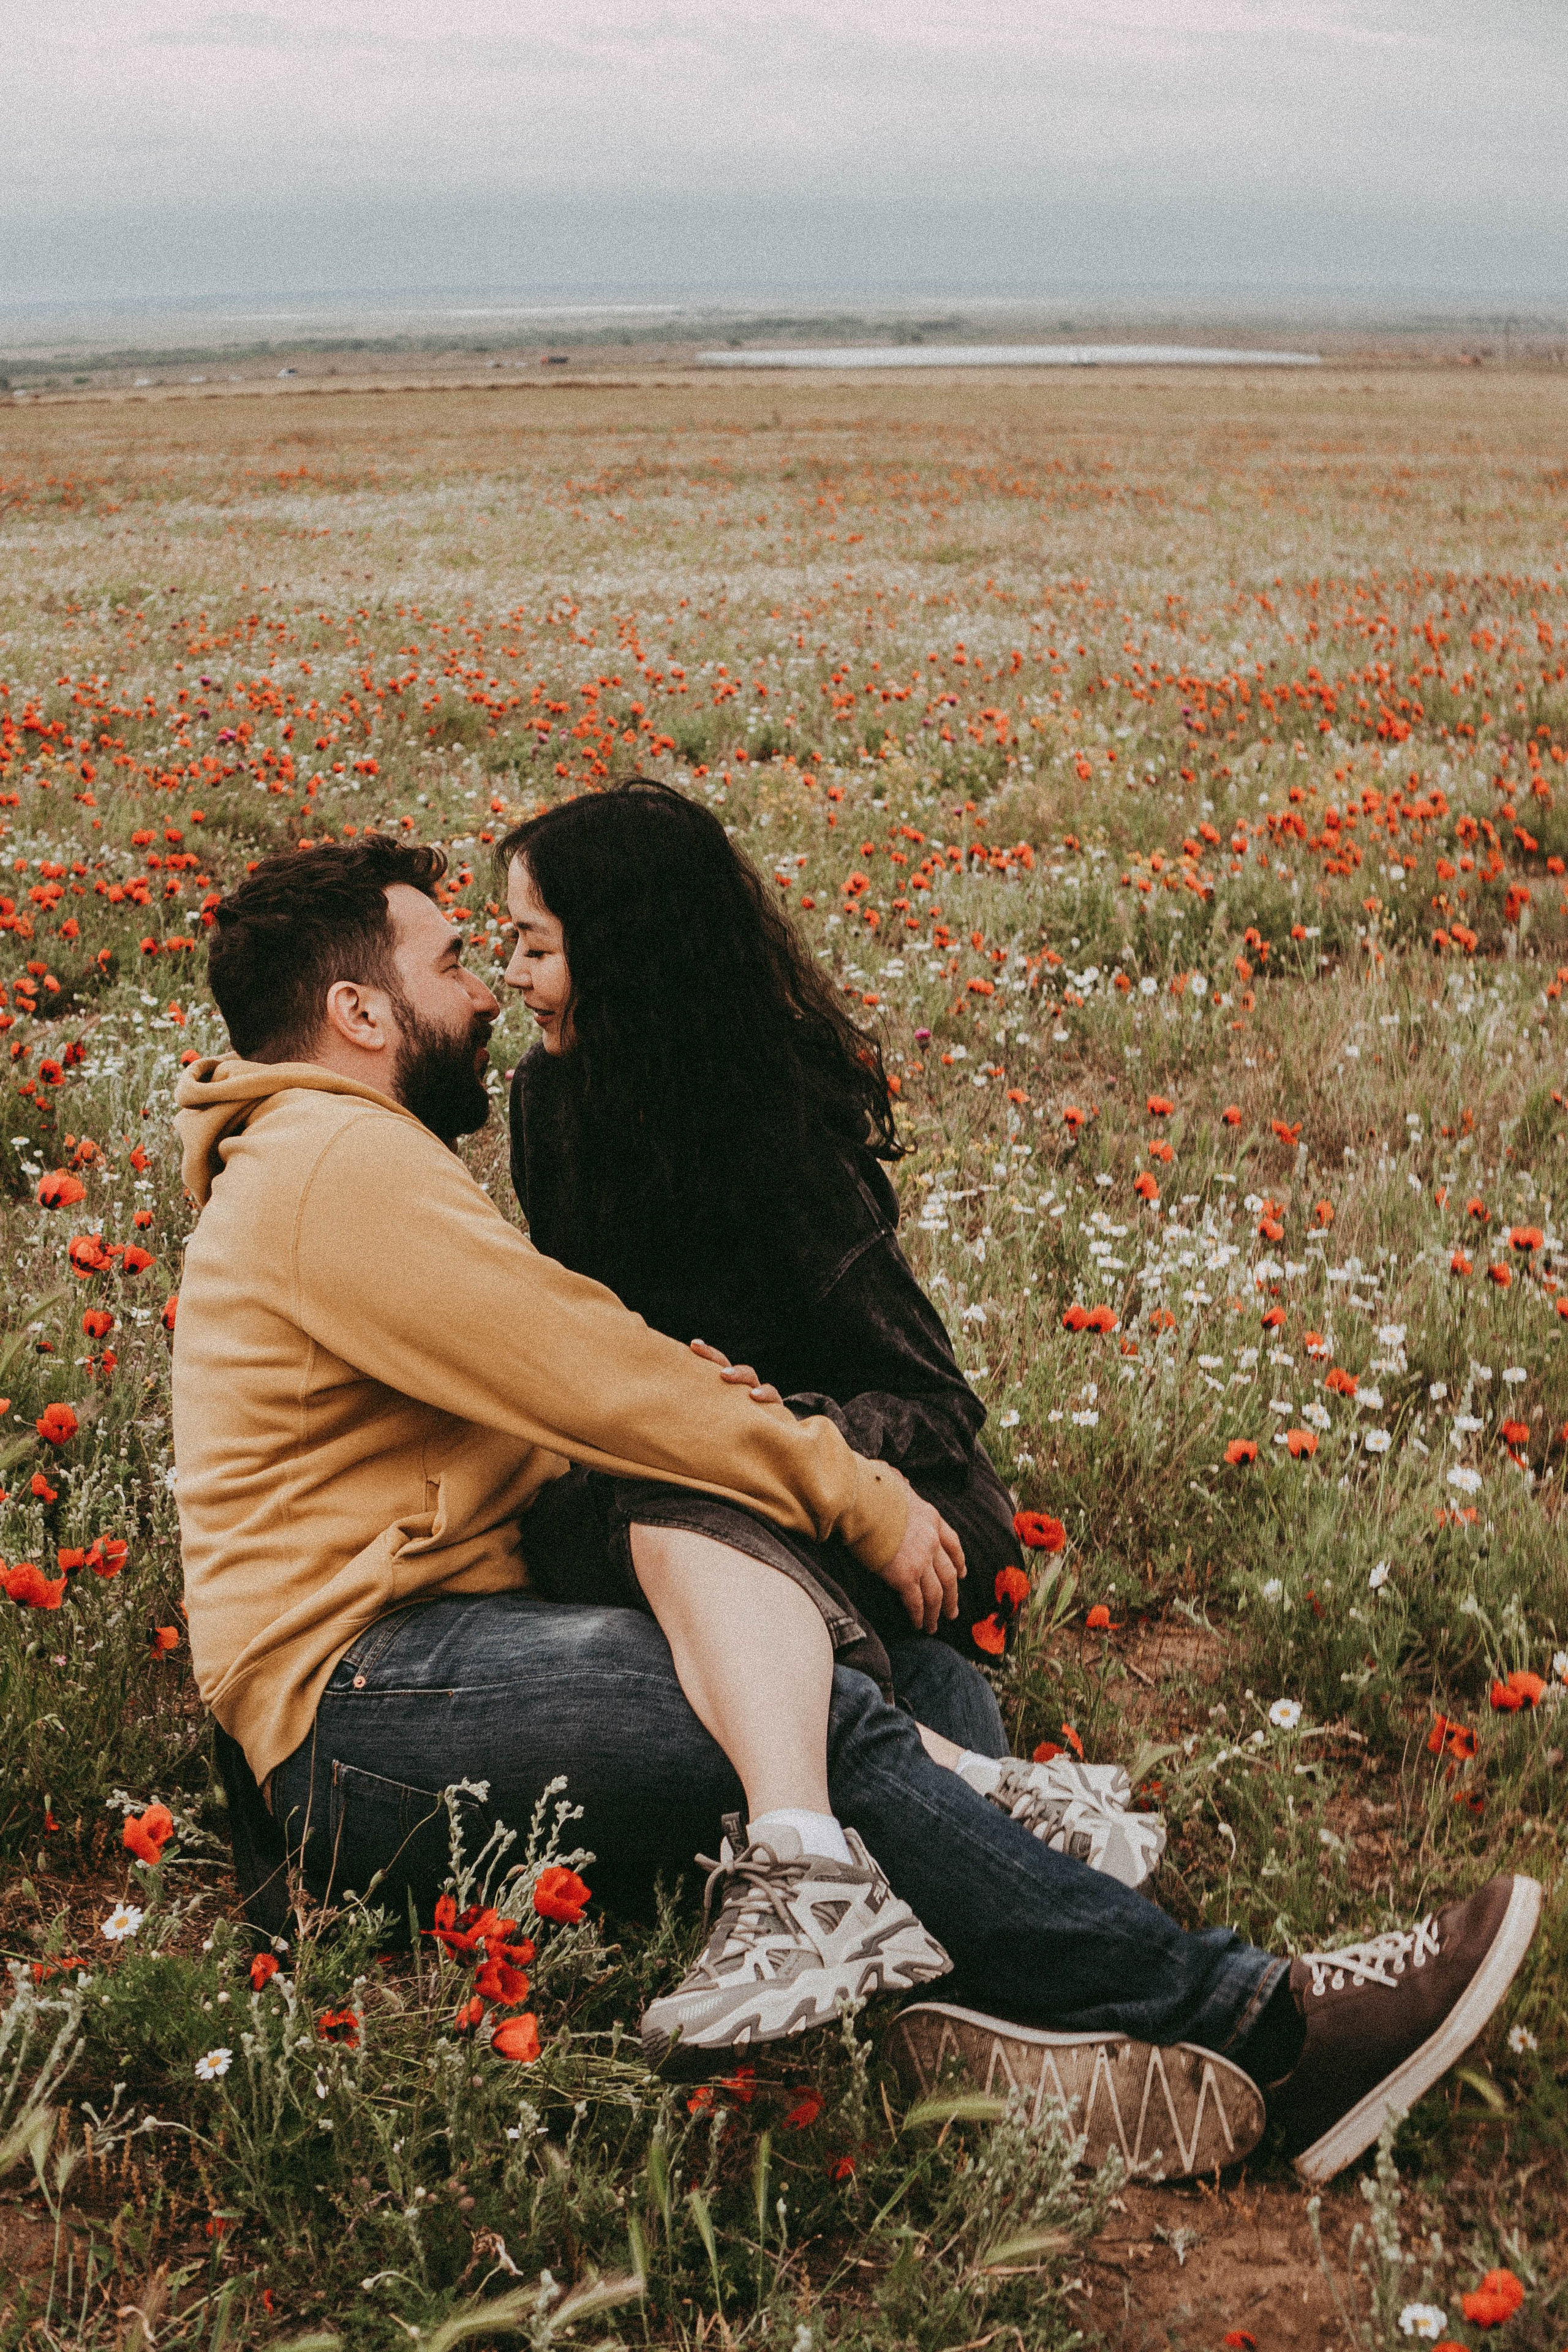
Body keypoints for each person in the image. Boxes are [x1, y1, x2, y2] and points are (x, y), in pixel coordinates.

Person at [172, 834, 1540, 2189]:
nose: (482, 991)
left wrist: (719, 1432)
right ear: (360, 1011)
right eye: (455, 960)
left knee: (904, 1673)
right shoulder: (331, 1169)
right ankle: (1262, 2029)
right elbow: (595, 1375)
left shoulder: (339, 1160)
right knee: (785, 1708)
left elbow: (557, 1386)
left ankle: (987, 2029)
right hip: (357, 1705)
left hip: (440, 1661)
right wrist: (851, 1491)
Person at [499, 777, 1162, 1891]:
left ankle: (878, 1847)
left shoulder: (773, 1121)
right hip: (701, 1478)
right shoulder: (549, 1104)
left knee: (659, 1525)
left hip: (900, 1500)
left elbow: (937, 1402)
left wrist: (770, 1427)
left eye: (535, 947)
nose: (512, 976)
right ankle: (991, 1800)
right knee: (581, 1525)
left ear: (625, 957)